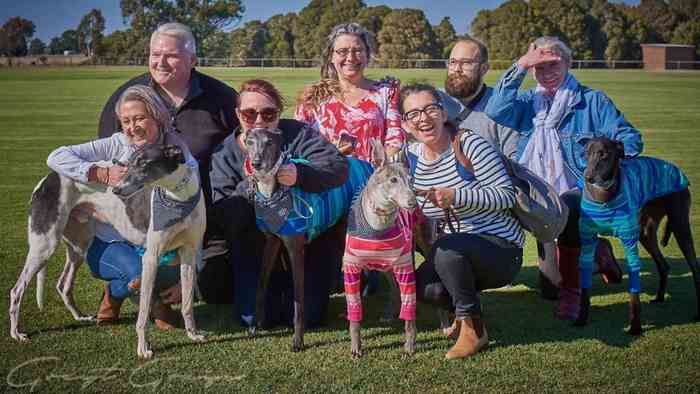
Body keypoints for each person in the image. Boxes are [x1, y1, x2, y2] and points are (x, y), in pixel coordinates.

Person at [485, 36, 643, 320]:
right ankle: (598, 253)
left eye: (554, 64)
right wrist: (521, 64)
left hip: (578, 189)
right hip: (539, 195)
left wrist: (621, 155)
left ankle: (574, 292)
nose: (547, 72)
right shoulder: (526, 103)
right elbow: (495, 109)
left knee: (569, 206)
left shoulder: (592, 101)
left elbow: (628, 137)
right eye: (540, 67)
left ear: (568, 63)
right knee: (548, 288)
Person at [97, 22, 239, 306]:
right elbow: (107, 154)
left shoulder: (222, 99)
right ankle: (122, 289)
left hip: (204, 216)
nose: (160, 62)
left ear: (193, 60)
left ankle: (185, 281)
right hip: (145, 216)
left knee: (218, 289)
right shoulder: (127, 96)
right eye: (154, 54)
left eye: (171, 55)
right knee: (145, 276)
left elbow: (239, 157)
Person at [47, 85, 197, 329]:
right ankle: (122, 297)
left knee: (168, 270)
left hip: (154, 241)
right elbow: (56, 157)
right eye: (126, 120)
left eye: (139, 118)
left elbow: (193, 207)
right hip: (109, 244)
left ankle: (151, 298)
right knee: (138, 272)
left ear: (157, 117)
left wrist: (191, 278)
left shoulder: (176, 150)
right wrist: (100, 172)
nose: (132, 127)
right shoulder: (116, 144)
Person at [209, 79, 349, 330]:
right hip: (256, 245)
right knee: (257, 318)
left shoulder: (297, 133)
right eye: (249, 114)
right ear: (237, 115)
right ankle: (269, 289)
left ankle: (328, 280)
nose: (259, 121)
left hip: (308, 240)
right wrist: (254, 186)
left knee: (310, 318)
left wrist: (301, 174)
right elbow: (224, 216)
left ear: (279, 113)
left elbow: (338, 167)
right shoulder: (224, 154)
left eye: (269, 113)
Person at [400, 83, 525, 360]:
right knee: (423, 288)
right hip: (457, 251)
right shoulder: (410, 158)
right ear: (406, 124)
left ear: (443, 112)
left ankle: (474, 329)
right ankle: (463, 306)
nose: (424, 118)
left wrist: (457, 195)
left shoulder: (469, 144)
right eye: (414, 114)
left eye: (430, 109)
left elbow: (506, 196)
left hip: (501, 248)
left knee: (446, 249)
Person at [295, 22, 405, 162]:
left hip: (372, 179)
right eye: (342, 51)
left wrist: (374, 175)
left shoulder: (386, 92)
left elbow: (395, 142)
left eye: (358, 50)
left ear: (367, 55)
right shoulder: (313, 97)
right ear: (331, 57)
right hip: (325, 179)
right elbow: (299, 145)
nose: (351, 57)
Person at [438, 38, 520, 160]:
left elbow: (515, 166)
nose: (457, 69)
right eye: (453, 62)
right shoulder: (435, 100)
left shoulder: (502, 107)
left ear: (484, 68)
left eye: (466, 63)